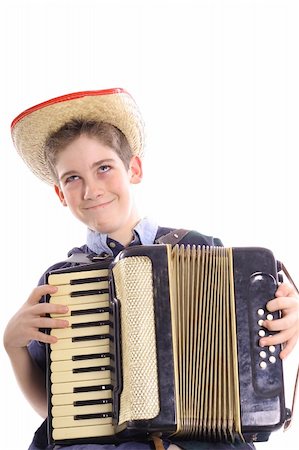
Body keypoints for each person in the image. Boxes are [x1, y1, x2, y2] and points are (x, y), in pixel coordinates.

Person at [3, 88, 299, 450]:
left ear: (134, 169)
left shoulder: (202, 249)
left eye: (104, 168)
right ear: (60, 194)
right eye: (72, 178)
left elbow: (253, 350)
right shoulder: (62, 281)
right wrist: (13, 346)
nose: (91, 189)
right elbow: (58, 414)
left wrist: (285, 318)